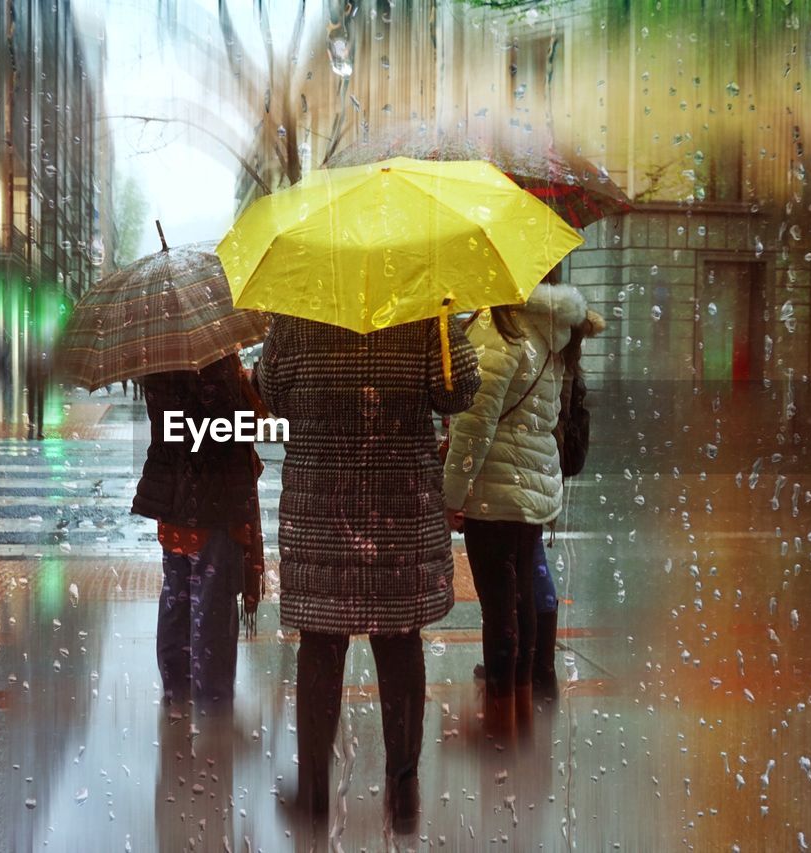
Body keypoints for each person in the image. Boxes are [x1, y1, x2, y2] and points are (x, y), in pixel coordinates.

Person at [256, 315, 480, 832]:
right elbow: (460, 390)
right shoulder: (422, 305)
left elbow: (272, 392)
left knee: (320, 644)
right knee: (400, 642)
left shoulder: (302, 306)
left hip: (322, 504)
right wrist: (445, 324)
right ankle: (403, 793)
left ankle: (313, 792)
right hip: (397, 505)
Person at [442, 284, 605, 733]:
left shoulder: (502, 333)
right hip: (531, 487)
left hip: (496, 491)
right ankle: (519, 711)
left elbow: (476, 427)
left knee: (499, 609)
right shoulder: (545, 334)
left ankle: (499, 721)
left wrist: (453, 496)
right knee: (521, 603)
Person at [131, 354, 264, 709]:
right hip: (210, 502)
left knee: (176, 593)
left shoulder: (158, 354)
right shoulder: (213, 361)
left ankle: (176, 688)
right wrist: (245, 394)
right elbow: (224, 428)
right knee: (212, 601)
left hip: (171, 500)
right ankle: (213, 698)